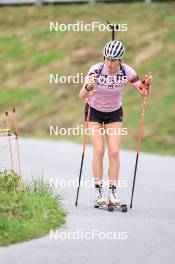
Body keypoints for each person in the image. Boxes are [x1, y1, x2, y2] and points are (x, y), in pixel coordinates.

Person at [79, 40, 152, 206]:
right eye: (107, 58)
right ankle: (98, 192)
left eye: (113, 60)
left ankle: (112, 192)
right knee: (98, 150)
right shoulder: (96, 70)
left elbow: (143, 92)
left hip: (114, 112)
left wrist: (147, 84)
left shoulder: (127, 71)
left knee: (114, 151)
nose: (109, 63)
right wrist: (88, 87)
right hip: (94, 111)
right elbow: (81, 94)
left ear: (120, 60)